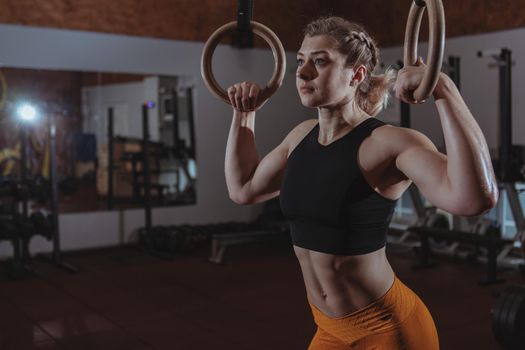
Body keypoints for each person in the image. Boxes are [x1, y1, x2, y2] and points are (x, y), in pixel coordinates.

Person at [224, 16, 498, 349]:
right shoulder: (299, 137)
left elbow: (473, 199)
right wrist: (244, 112)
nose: (302, 72)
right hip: (329, 329)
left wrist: (442, 89)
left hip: (387, 330)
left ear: (356, 75)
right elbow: (243, 188)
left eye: (320, 62)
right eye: (301, 61)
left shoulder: (389, 143)